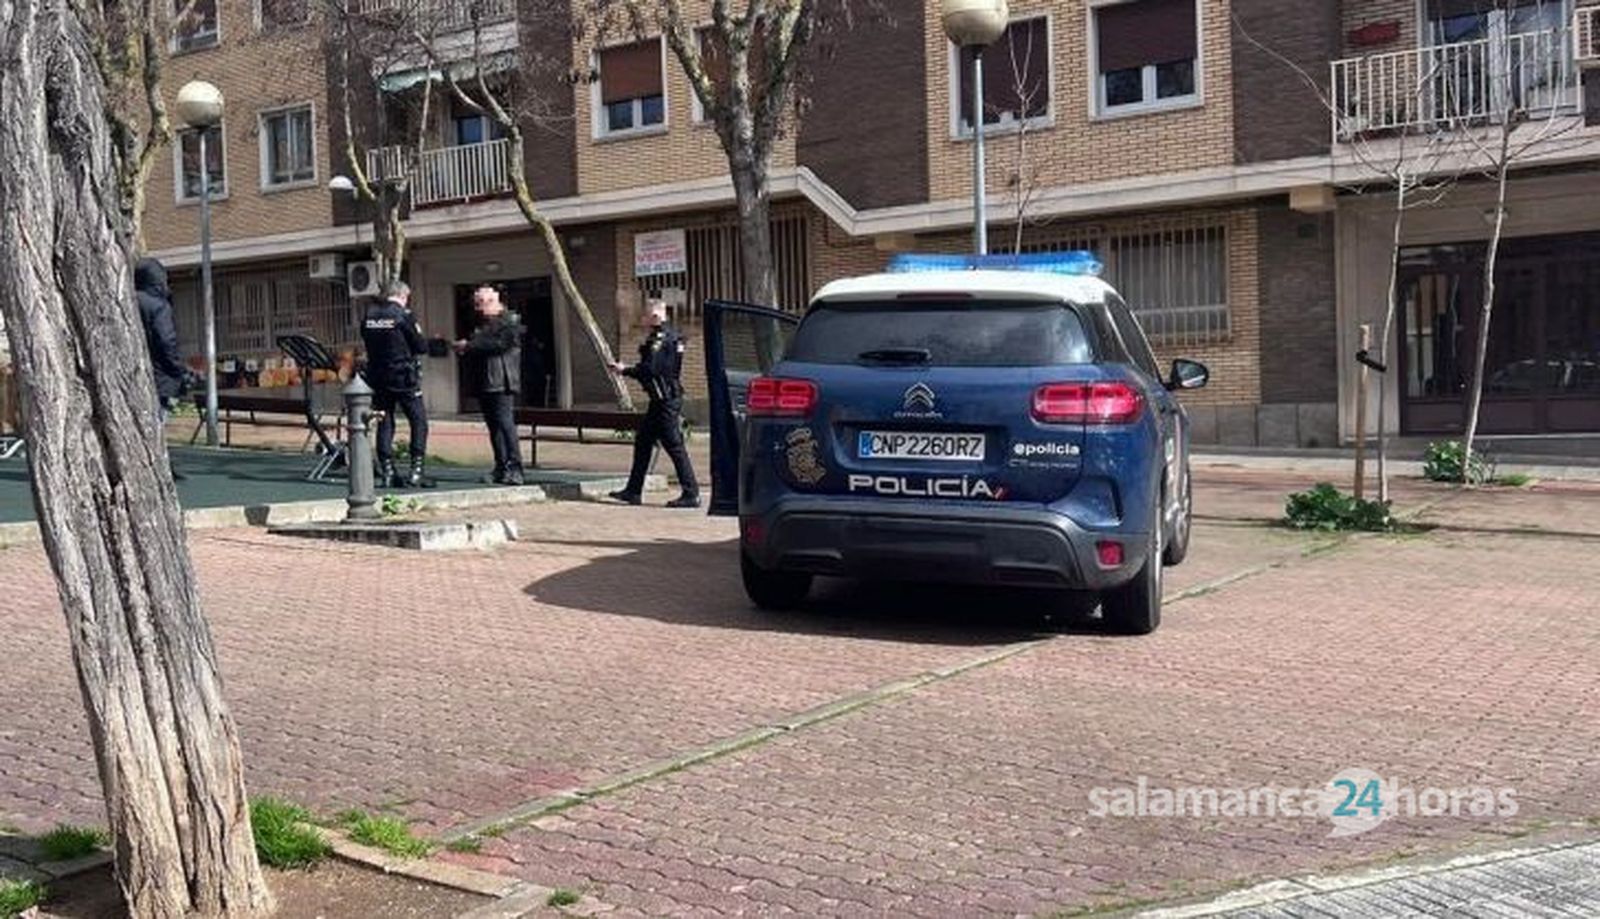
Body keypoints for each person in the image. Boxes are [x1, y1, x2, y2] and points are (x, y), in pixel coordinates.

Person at [608, 299, 699, 509]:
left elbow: (651, 369)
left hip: (665, 400)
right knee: (643, 442)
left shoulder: (660, 338)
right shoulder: (675, 336)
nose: (643, 318)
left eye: (646, 314)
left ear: (656, 315)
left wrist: (625, 370)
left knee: (674, 446)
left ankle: (691, 493)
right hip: (662, 399)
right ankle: (633, 491)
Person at [361, 279, 435, 489]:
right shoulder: (404, 315)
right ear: (402, 296)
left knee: (385, 422)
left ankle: (388, 472)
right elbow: (420, 346)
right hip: (404, 377)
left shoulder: (369, 316)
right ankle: (416, 471)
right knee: (418, 420)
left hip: (378, 376)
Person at [455, 285, 524, 486]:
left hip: (502, 380)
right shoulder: (483, 324)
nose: (478, 308)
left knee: (505, 423)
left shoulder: (509, 320)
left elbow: (499, 345)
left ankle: (515, 467)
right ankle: (501, 466)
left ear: (493, 301)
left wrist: (469, 345)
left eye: (481, 303)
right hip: (486, 380)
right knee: (494, 426)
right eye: (476, 303)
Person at [135, 258, 189, 425]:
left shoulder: (128, 300)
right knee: (158, 423)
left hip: (133, 376)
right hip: (161, 380)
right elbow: (166, 341)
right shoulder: (159, 306)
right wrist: (179, 370)